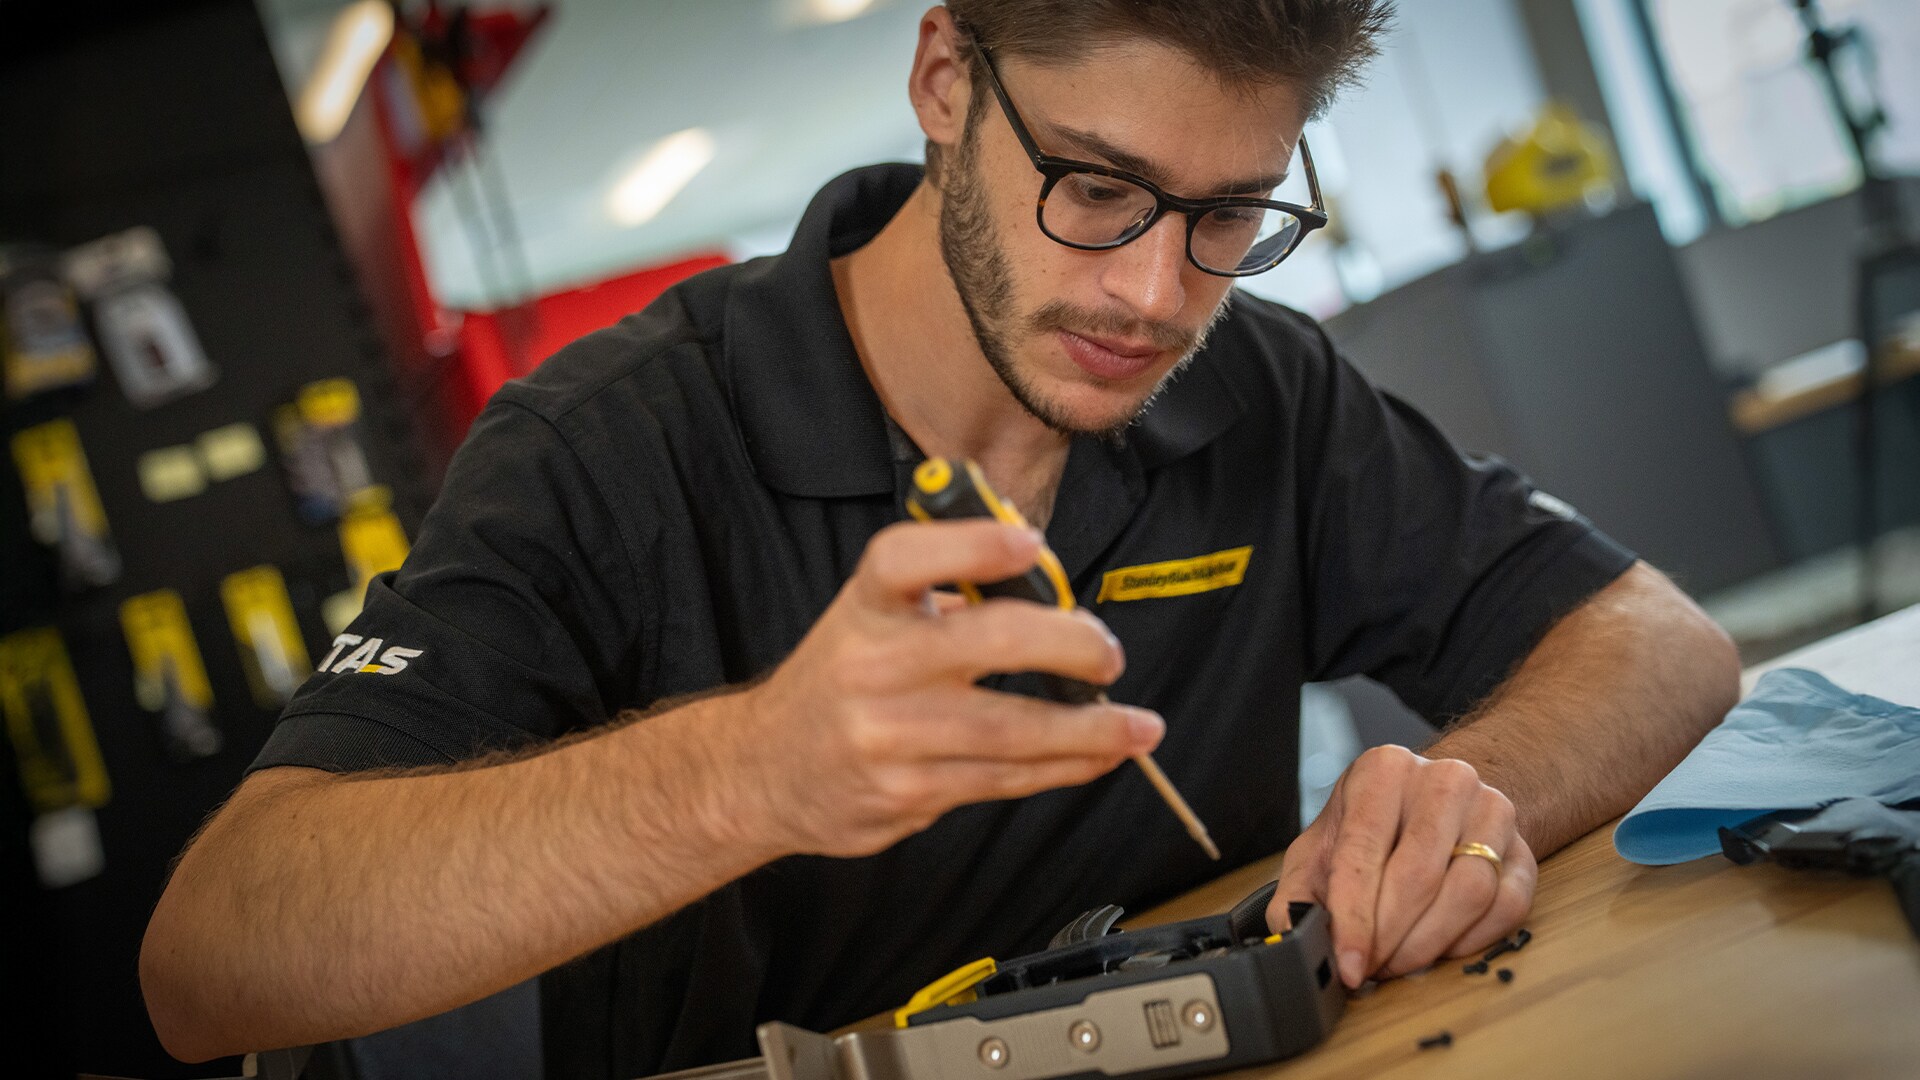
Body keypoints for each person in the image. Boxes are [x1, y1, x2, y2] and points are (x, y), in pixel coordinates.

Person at [141, 2, 1740, 1076]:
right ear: (944, 81)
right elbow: (215, 958)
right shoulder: (609, 445)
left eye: (1230, 215)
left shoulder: (1257, 384)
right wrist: (747, 771)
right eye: (1099, 191)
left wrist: (1473, 802)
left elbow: (1663, 641)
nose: (1156, 295)